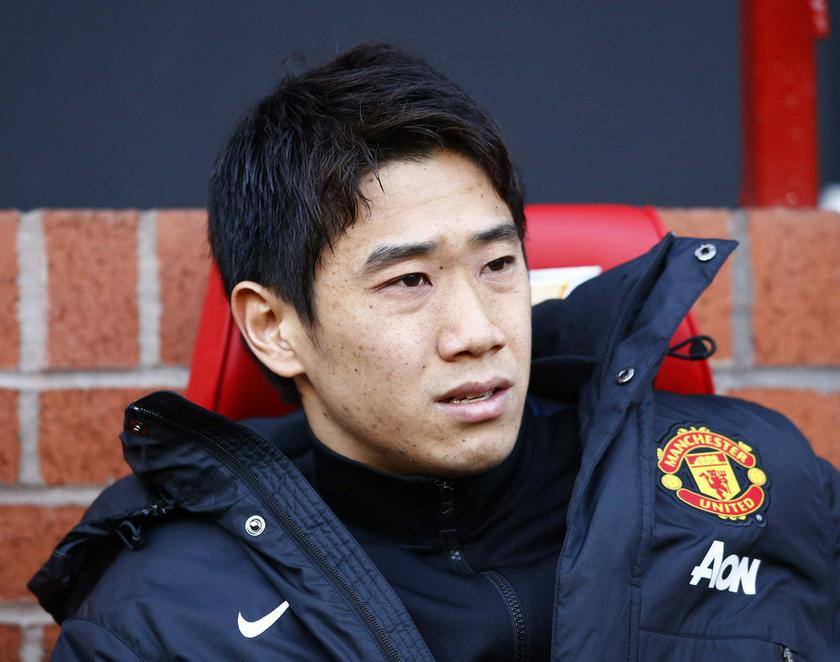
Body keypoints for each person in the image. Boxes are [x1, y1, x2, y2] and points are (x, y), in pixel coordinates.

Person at [30, 43, 839, 661]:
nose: (478, 331)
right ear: (274, 327)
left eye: (497, 266)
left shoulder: (758, 473)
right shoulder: (161, 620)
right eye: (410, 282)